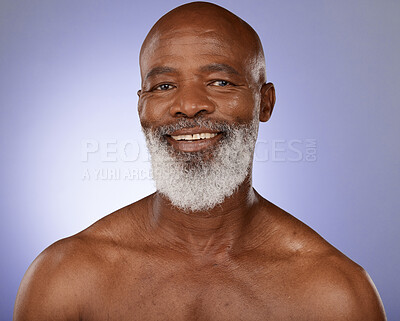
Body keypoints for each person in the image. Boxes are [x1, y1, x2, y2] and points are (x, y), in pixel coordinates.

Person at [14, 2, 386, 320]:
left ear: (265, 102)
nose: (189, 105)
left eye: (220, 82)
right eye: (163, 86)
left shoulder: (334, 295)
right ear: (141, 106)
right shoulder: (65, 278)